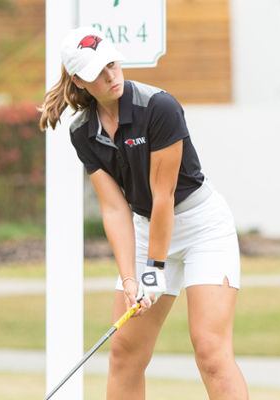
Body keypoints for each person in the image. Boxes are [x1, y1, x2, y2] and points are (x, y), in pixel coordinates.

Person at [39, 27, 249, 399]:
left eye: (112, 63)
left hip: (201, 227)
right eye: (97, 72)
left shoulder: (158, 107)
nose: (111, 75)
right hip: (144, 228)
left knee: (210, 352)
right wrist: (131, 278)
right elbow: (115, 208)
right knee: (124, 355)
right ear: (78, 81)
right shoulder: (82, 132)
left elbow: (163, 195)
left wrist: (153, 271)